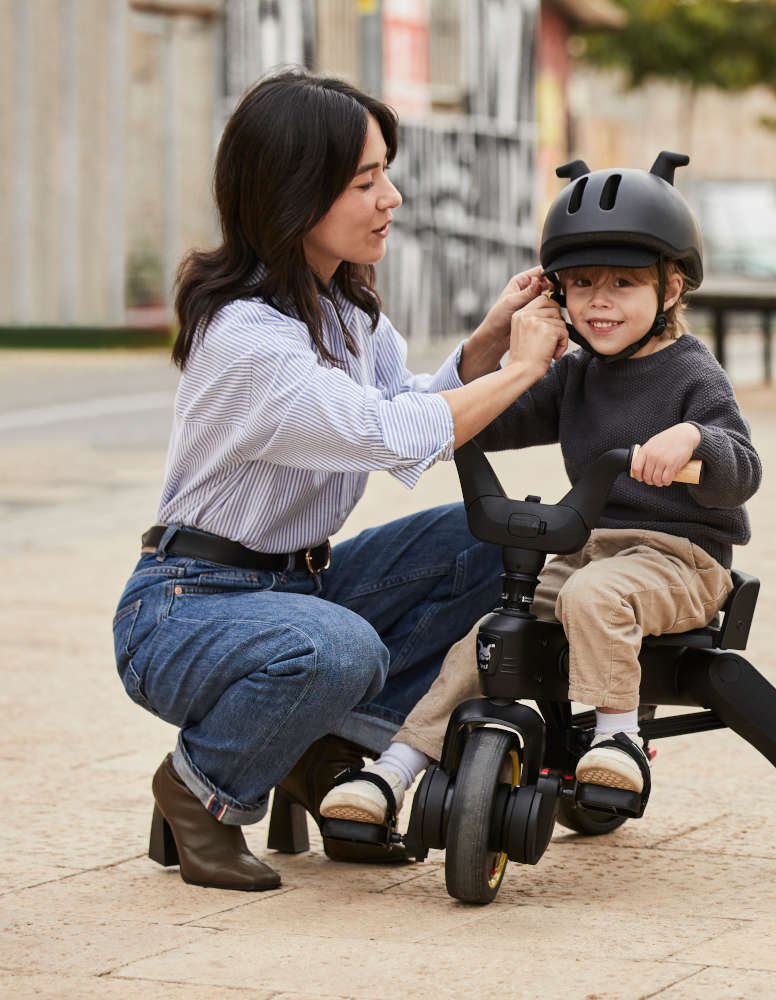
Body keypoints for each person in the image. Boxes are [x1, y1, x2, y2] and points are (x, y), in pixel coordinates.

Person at [111, 70, 567, 892]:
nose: (391, 196)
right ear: (295, 192)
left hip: (302, 588)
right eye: (366, 180)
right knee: (341, 648)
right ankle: (200, 790)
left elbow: (412, 410)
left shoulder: (346, 313)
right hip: (186, 609)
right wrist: (525, 370)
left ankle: (332, 752)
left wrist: (489, 344)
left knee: (488, 539)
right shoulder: (250, 338)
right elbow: (386, 436)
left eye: (385, 171)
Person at [321, 153, 762, 825]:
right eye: (581, 284)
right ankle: (397, 768)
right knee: (491, 634)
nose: (600, 301)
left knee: (592, 594)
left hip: (683, 563)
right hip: (594, 555)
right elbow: (491, 418)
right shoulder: (576, 373)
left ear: (671, 289)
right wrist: (514, 367)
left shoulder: (691, 375)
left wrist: (696, 443)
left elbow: (744, 466)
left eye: (623, 283)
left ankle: (620, 740)